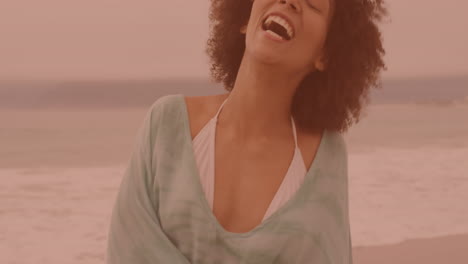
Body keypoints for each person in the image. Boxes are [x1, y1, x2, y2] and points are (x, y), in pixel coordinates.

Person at [106, 0, 388, 263]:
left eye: (313, 3)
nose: (290, 1)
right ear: (244, 19)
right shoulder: (166, 124)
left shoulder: (323, 156)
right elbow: (127, 251)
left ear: (325, 54)